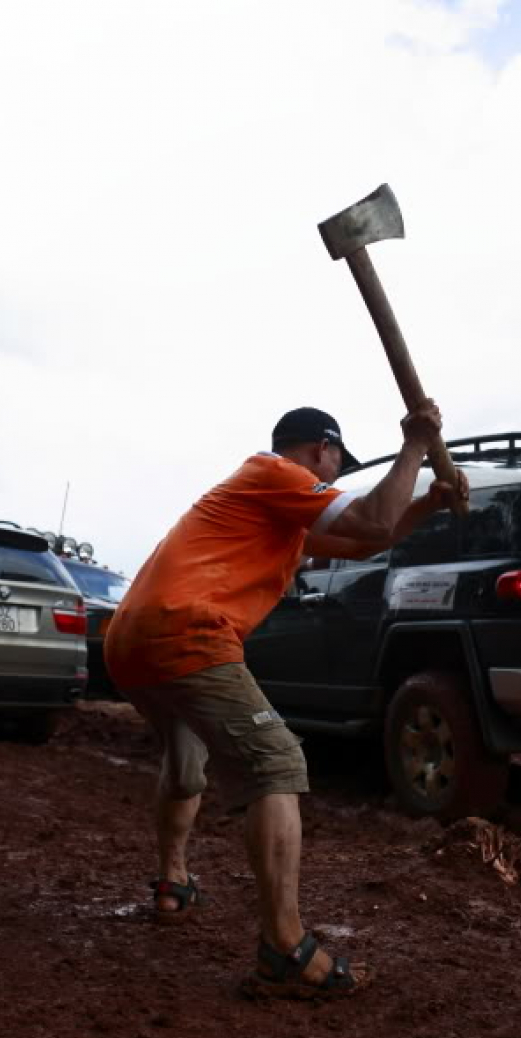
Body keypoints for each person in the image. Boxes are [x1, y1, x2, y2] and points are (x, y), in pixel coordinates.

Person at [104, 400, 467, 998]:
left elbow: (367, 540)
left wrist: (428, 502)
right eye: (335, 464)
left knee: (184, 758)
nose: (334, 478)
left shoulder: (280, 512)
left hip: (131, 641)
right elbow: (375, 519)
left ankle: (173, 882)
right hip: (186, 633)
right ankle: (284, 947)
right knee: (276, 761)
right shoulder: (277, 473)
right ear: (321, 450)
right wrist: (416, 446)